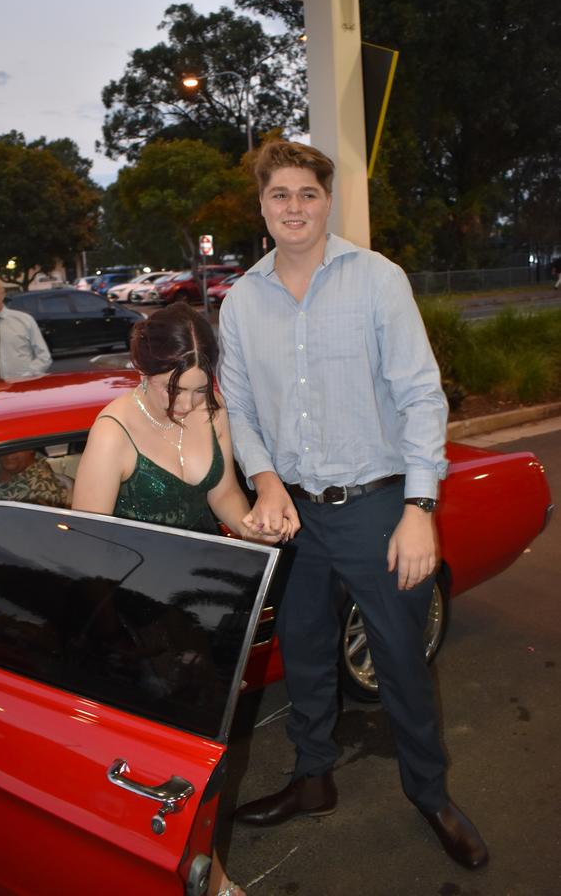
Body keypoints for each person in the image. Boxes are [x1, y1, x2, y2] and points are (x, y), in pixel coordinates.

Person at [217, 139, 488, 871]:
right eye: (281, 195)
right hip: (293, 515)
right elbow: (238, 405)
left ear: (326, 200)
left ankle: (429, 795)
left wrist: (418, 507)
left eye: (308, 193)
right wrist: (264, 480)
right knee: (304, 654)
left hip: (377, 506)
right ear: (263, 205)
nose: (295, 208)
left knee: (401, 658)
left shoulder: (376, 280)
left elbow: (420, 394)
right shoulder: (242, 300)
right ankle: (313, 779)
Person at [73, 302, 286, 896]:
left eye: (201, 389)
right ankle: (208, 880)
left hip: (203, 612)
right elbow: (88, 550)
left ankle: (190, 871)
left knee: (206, 756)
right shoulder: (113, 429)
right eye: (179, 391)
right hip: (136, 623)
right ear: (144, 370)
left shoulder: (211, 413)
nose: (193, 404)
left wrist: (254, 526)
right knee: (173, 770)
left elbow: (222, 498)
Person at [0, 449, 70, 508]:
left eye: (16, 448)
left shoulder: (43, 487)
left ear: (31, 449)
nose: (9, 453)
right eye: (5, 446)